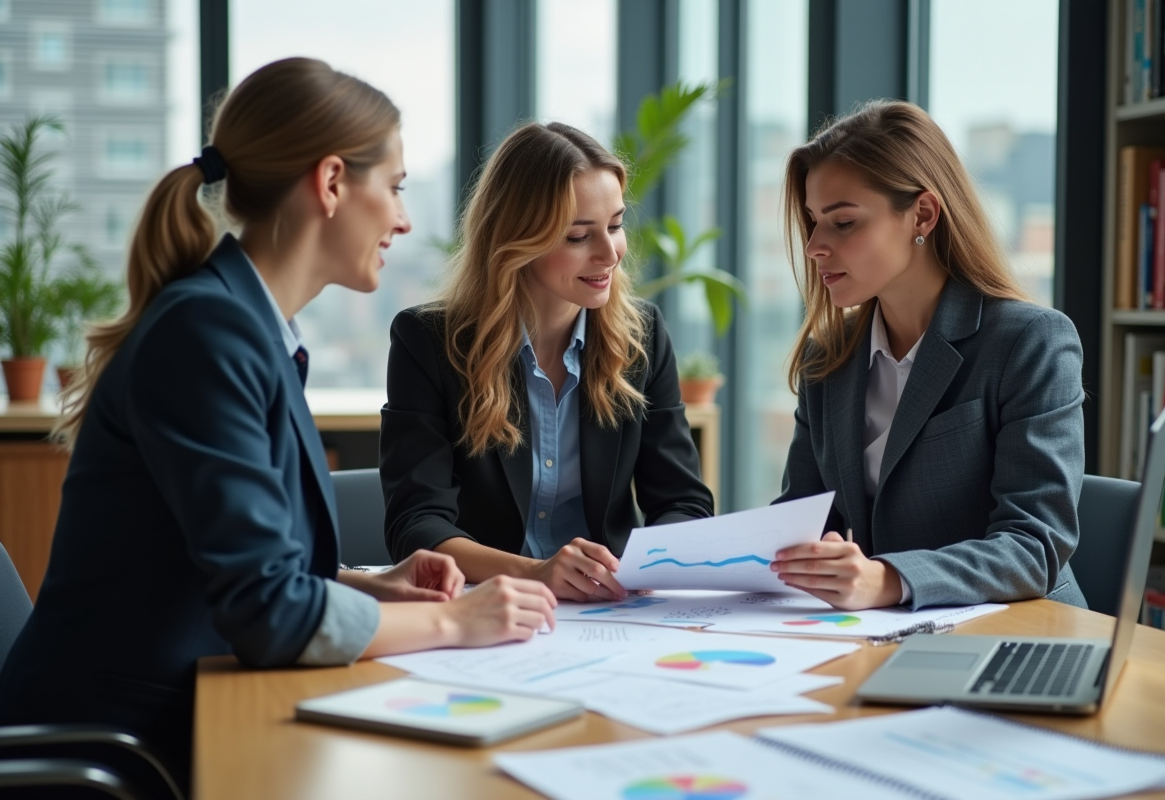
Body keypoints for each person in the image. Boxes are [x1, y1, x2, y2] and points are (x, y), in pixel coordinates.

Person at [0, 58, 555, 789]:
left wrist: (373, 587)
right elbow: (270, 616)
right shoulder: (207, 333)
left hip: (174, 713)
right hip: (117, 748)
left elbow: (248, 573)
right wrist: (458, 621)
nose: (404, 219)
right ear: (330, 183)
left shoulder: (247, 327)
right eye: (393, 188)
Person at [769, 100, 1087, 612]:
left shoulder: (1031, 342)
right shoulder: (826, 359)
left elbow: (1035, 545)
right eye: (812, 222)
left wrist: (888, 580)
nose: (814, 247)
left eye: (843, 223)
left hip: (1018, 636)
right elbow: (804, 519)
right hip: (883, 634)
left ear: (922, 214)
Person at [380, 121, 713, 603]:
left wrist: (648, 565)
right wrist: (535, 572)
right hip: (487, 605)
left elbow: (683, 502)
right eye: (578, 236)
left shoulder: (642, 336)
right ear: (517, 240)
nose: (609, 254)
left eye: (616, 226)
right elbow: (416, 523)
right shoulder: (429, 341)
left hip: (614, 609)